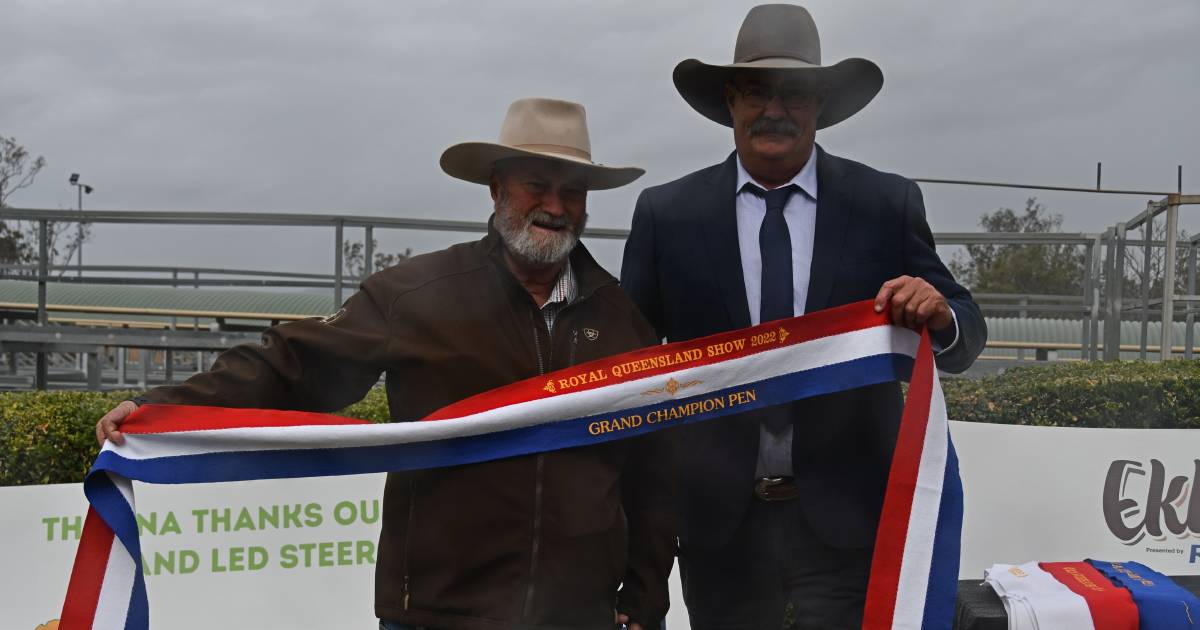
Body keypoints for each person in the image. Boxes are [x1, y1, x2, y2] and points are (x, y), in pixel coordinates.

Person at [96, 97, 677, 630]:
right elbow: (294, 363)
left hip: (578, 616)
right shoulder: (418, 295)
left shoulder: (624, 321)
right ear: (497, 188)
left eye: (573, 190)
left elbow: (650, 474)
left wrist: (644, 600)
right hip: (435, 612)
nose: (555, 206)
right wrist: (165, 408)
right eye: (537, 185)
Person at [619, 5, 987, 629]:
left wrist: (940, 315)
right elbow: (630, 367)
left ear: (821, 106)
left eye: (795, 94)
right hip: (717, 529)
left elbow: (964, 328)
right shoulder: (667, 214)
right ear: (730, 101)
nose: (775, 109)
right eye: (757, 91)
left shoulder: (884, 203)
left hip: (848, 522)